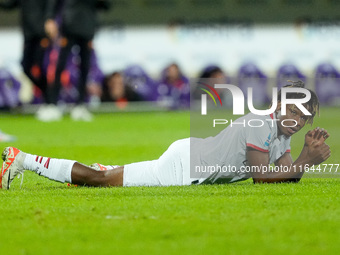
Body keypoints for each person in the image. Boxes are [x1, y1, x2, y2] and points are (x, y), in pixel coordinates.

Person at [0, 81, 331, 189]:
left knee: (109, 174)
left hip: (192, 156)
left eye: (304, 115)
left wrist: (304, 155)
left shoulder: (280, 132)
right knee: (98, 180)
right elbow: (262, 177)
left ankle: (108, 169)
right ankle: (23, 159)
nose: (298, 119)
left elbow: (285, 176)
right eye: (293, 111)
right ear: (278, 105)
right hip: (184, 167)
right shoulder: (261, 125)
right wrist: (307, 159)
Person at [43, 0, 110, 121]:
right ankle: (52, 104)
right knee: (60, 65)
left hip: (88, 25)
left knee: (85, 66)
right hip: (69, 24)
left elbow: (105, 5)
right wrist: (50, 18)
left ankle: (80, 105)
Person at [0, 0, 52, 115]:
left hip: (41, 35)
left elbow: (50, 9)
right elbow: (10, 5)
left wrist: (47, 29)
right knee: (25, 67)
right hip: (28, 36)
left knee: (41, 68)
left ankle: (50, 101)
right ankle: (48, 95)